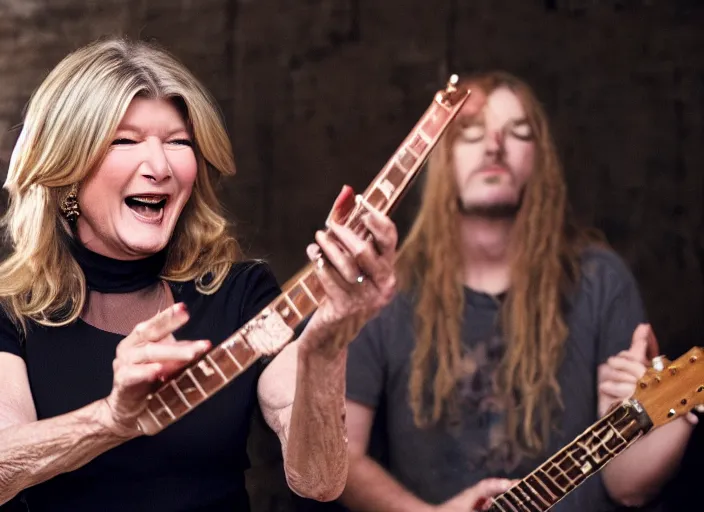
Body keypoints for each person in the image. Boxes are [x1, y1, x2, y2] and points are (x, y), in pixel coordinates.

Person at [0, 37, 398, 512]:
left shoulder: (240, 293)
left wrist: (328, 344)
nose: (160, 166)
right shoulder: (12, 309)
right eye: (124, 141)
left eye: (178, 142)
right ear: (67, 165)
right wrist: (112, 419)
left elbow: (319, 480)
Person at [336, 71, 694, 512]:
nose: (494, 146)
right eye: (470, 133)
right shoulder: (385, 286)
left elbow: (628, 488)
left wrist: (656, 419)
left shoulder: (601, 279)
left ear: (538, 159)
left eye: (517, 132)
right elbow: (339, 459)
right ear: (439, 156)